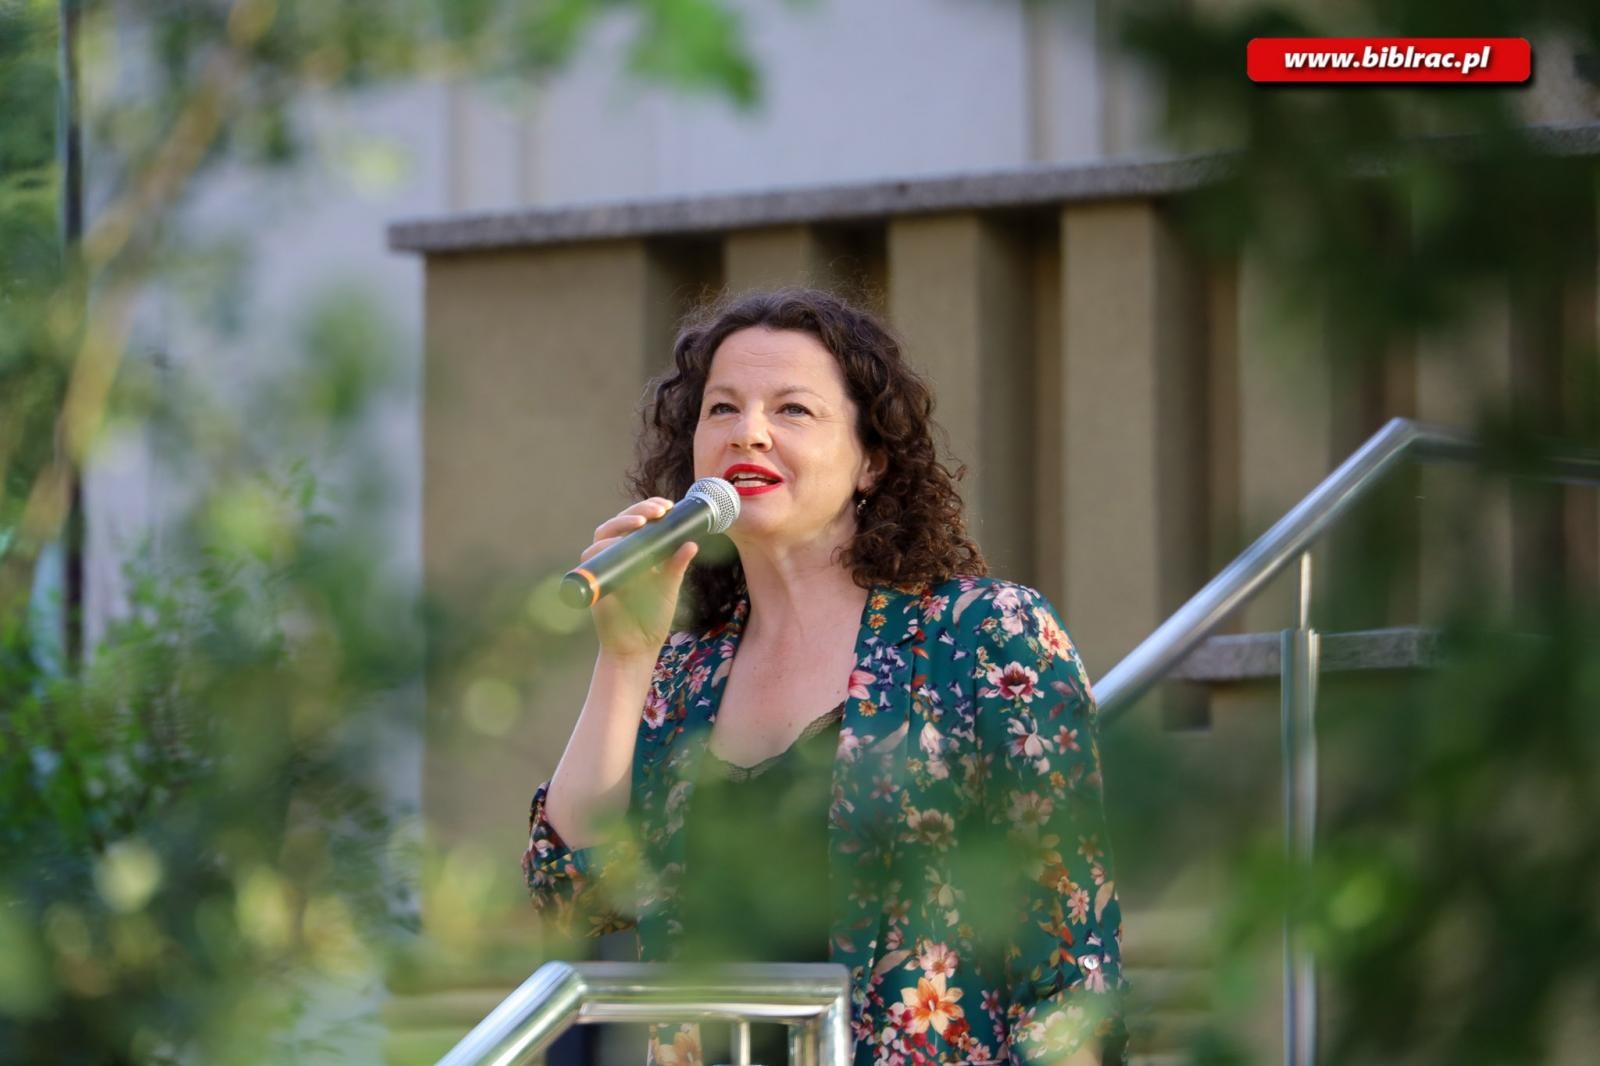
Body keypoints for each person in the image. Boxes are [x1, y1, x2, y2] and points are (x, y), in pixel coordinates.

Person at [523, 289, 1125, 1066]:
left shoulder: (984, 636)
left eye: (794, 411)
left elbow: (1071, 960)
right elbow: (576, 893)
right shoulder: (681, 672)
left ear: (873, 459)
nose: (751, 433)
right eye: (723, 409)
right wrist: (626, 656)